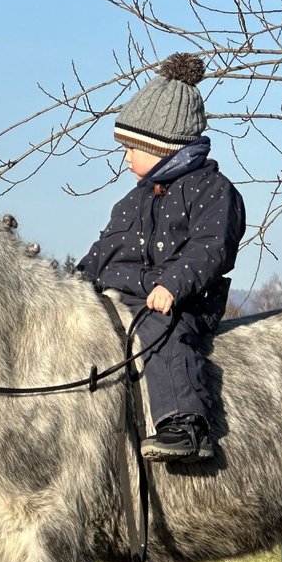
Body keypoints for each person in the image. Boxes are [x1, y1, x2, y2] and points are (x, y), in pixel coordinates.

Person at [78, 53, 246, 463]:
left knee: (158, 328)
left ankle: (186, 425)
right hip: (127, 295)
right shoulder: (134, 200)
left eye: (131, 147)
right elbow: (106, 248)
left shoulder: (213, 191)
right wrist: (77, 281)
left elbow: (212, 247)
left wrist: (172, 285)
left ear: (164, 147)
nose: (125, 157)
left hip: (181, 301)